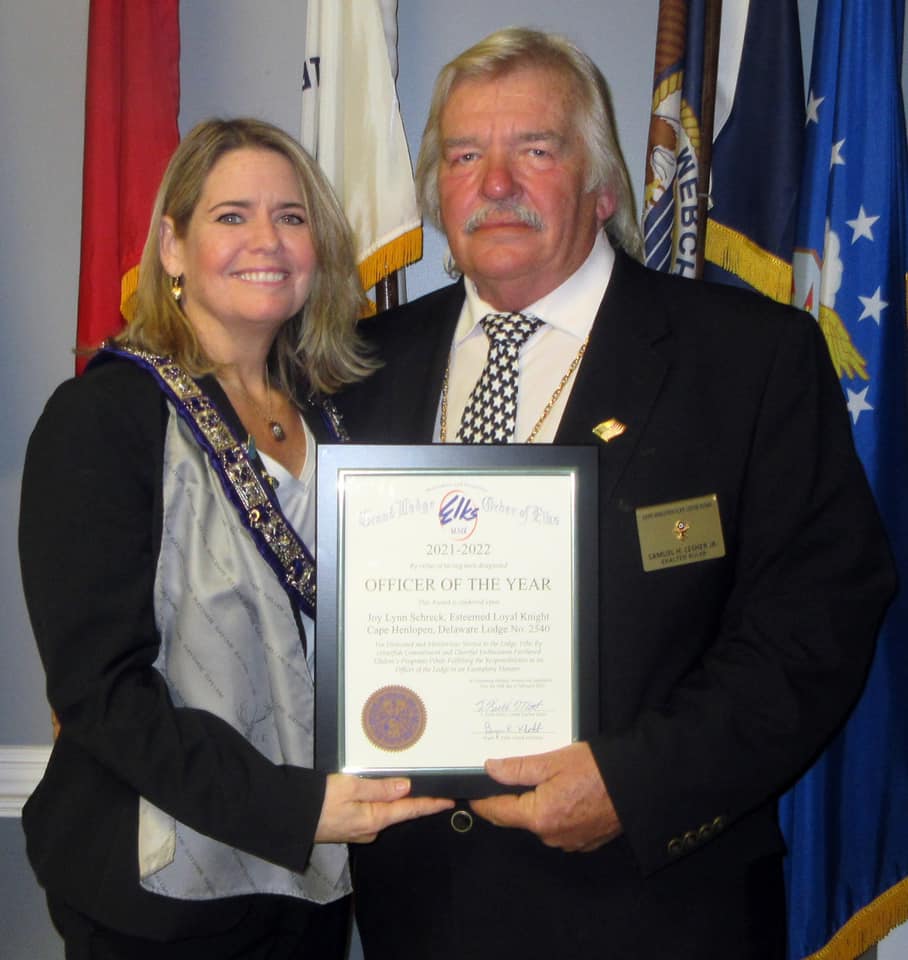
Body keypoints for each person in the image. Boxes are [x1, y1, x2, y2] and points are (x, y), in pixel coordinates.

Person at [336, 28, 896, 960]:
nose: (496, 182)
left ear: (602, 187)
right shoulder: (362, 369)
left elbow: (815, 626)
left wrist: (632, 788)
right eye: (466, 155)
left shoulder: (748, 359)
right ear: (439, 191)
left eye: (536, 150)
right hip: (419, 912)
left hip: (657, 910)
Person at [18, 117, 451, 960]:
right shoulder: (105, 417)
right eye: (232, 216)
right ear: (171, 248)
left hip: (316, 886)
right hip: (163, 895)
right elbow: (99, 692)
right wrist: (295, 809)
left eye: (292, 217)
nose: (268, 240)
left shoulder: (341, 419)